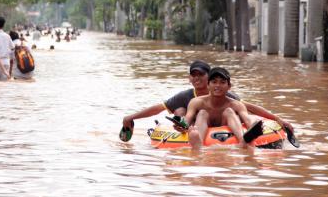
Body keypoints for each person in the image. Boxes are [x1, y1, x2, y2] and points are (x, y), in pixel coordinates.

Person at [122, 60, 294, 134]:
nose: (196, 79)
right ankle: (182, 133)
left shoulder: (225, 94)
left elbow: (249, 107)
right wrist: (131, 117)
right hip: (194, 126)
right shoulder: (187, 97)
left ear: (209, 79)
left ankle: (247, 136)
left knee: (232, 112)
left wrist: (278, 119)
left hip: (221, 123)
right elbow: (157, 108)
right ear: (189, 78)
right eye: (193, 75)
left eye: (201, 75)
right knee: (180, 109)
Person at [184, 67, 258, 149]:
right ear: (208, 85)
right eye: (214, 82)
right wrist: (181, 126)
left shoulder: (236, 104)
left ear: (229, 86)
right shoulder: (196, 102)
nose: (218, 85)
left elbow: (247, 119)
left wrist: (253, 126)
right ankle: (198, 144)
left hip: (227, 126)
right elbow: (187, 120)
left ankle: (242, 141)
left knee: (229, 111)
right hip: (203, 126)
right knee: (202, 113)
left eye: (222, 82)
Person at [0, 17, 15, 81]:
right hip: (6, 62)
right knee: (4, 85)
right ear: (3, 25)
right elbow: (13, 47)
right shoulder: (7, 36)